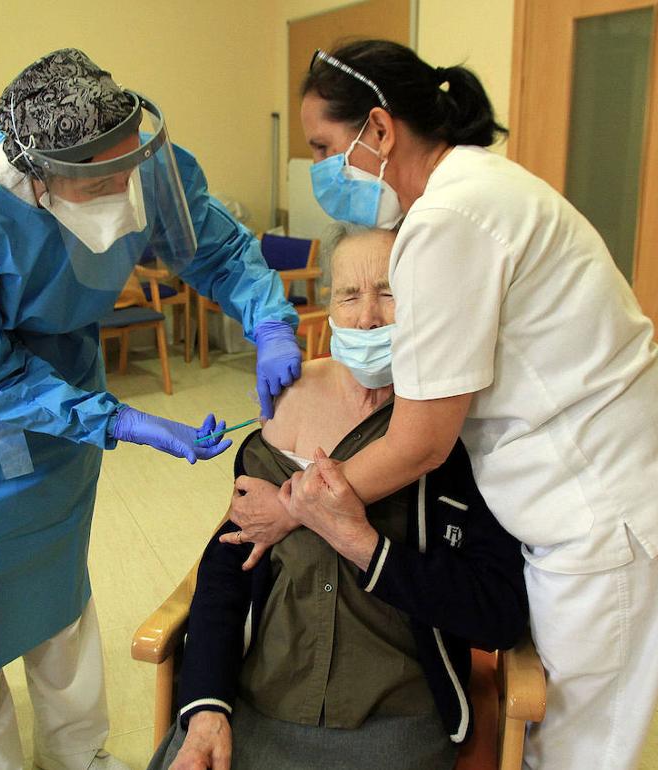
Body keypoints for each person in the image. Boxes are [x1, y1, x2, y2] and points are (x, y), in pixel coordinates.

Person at [228, 40, 658, 769]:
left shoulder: (449, 219)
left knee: (579, 748)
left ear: (381, 129)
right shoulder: (482, 188)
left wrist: (299, 506)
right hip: (595, 486)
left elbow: (422, 440)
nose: (324, 172)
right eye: (347, 297)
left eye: (326, 148)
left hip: (606, 505)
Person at [0, 49, 302, 770]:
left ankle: (81, 753)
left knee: (57, 585)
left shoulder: (144, 160)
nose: (126, 190)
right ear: (41, 180)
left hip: (63, 372)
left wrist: (271, 323)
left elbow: (213, 248)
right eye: (103, 183)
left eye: (129, 170)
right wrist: (119, 420)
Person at [148, 229, 528, 770]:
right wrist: (206, 707)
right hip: (258, 699)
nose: (369, 317)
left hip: (390, 716)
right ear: (327, 307)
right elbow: (226, 567)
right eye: (349, 295)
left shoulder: (457, 438)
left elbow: (497, 614)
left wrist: (364, 545)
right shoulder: (286, 409)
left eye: (389, 293)